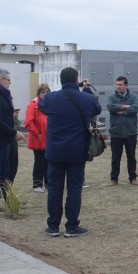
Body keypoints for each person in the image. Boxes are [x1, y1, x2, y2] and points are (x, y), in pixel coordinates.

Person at [39, 68, 101, 238]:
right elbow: (96, 108)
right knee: (74, 188)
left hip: (55, 152)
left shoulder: (51, 98)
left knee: (54, 189)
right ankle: (72, 226)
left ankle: (52, 226)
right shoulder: (85, 97)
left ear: (60, 80)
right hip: (76, 152)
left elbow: (41, 105)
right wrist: (86, 89)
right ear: (76, 80)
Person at [0, 68, 26, 213]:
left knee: (6, 169)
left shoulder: (2, 95)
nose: (10, 83)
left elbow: (1, 117)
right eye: (8, 81)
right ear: (1, 80)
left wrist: (11, 115)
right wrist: (14, 133)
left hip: (4, 139)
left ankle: (9, 198)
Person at [107, 76, 138, 186]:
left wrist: (121, 111)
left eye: (120, 84)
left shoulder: (133, 97)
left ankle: (133, 177)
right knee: (115, 157)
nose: (118, 86)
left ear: (126, 85)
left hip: (130, 132)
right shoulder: (112, 97)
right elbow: (110, 107)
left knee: (131, 157)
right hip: (116, 132)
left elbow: (135, 109)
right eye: (117, 84)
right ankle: (114, 178)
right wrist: (125, 106)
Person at [24, 83, 51, 193]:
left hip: (49, 139)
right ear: (39, 93)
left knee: (49, 162)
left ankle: (48, 184)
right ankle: (37, 184)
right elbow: (28, 122)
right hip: (38, 139)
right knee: (39, 162)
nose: (45, 94)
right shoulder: (33, 105)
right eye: (43, 92)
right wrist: (37, 133)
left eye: (47, 92)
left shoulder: (50, 105)